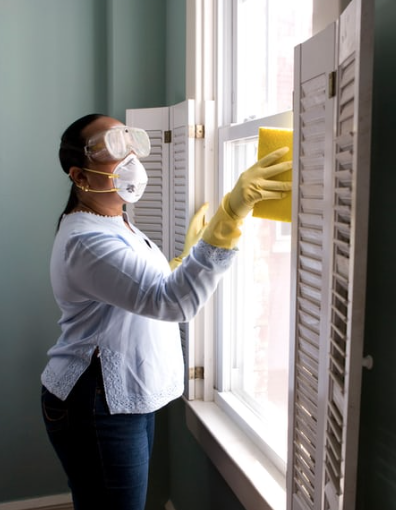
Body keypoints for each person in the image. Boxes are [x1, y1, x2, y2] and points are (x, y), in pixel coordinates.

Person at [40, 113, 292, 510]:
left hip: (120, 394)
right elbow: (172, 303)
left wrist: (183, 259)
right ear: (80, 176)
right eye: (112, 147)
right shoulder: (86, 240)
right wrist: (230, 215)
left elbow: (137, 289)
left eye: (129, 140)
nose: (130, 158)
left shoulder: (114, 222)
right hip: (96, 400)